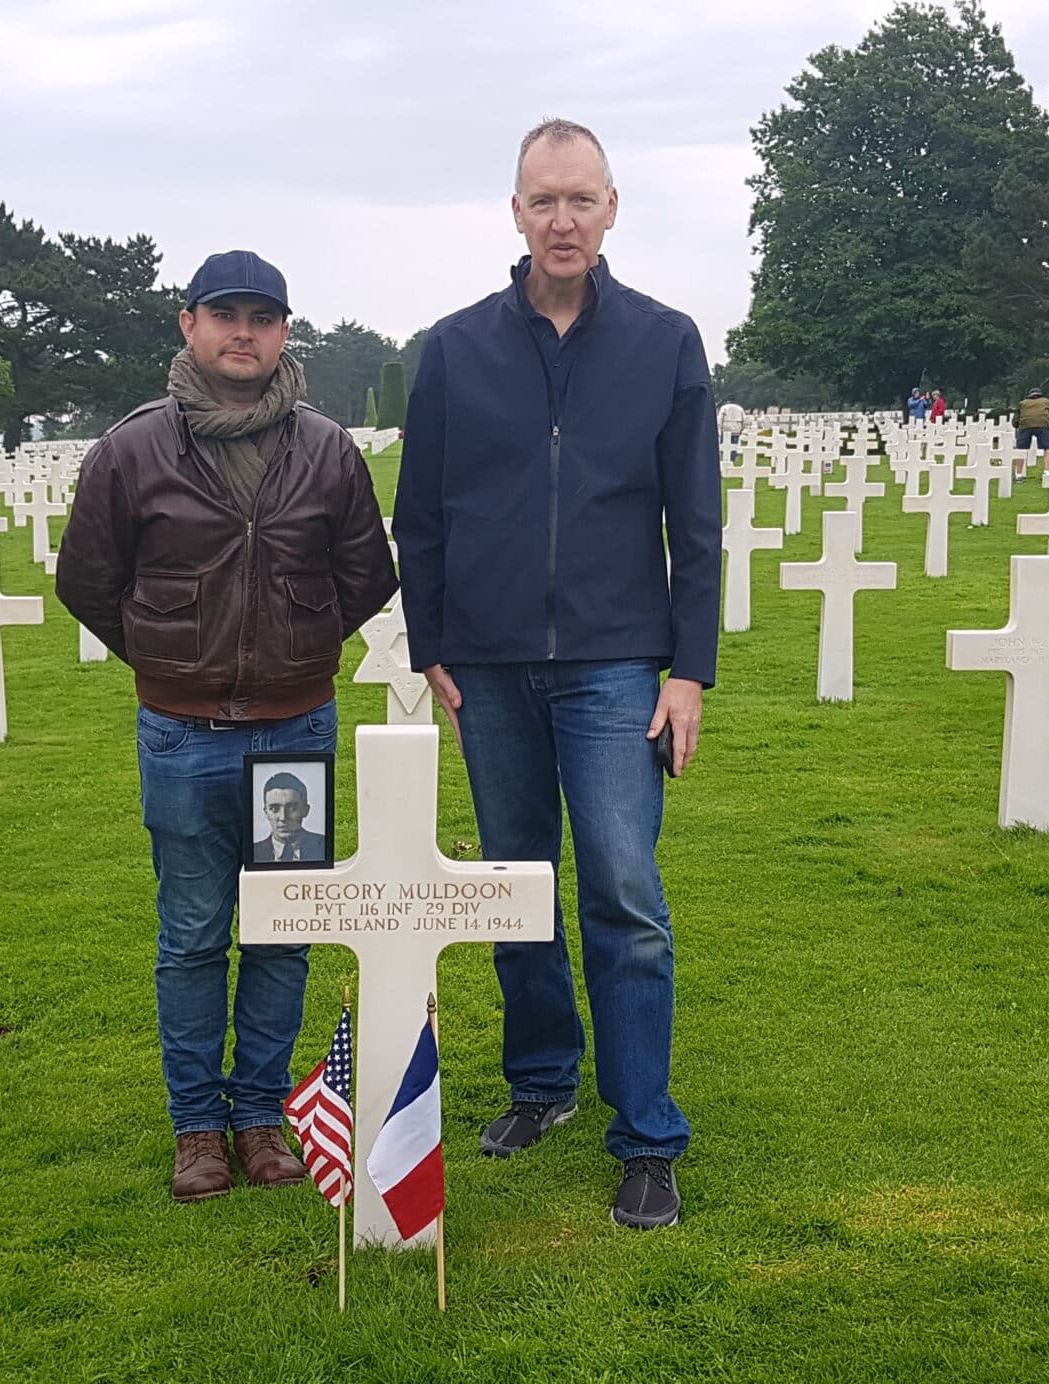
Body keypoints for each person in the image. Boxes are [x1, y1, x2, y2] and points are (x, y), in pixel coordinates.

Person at [393, 117, 718, 1231]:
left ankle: (648, 1134)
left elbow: (697, 522)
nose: (562, 219)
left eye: (582, 199)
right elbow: (422, 510)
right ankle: (543, 1082)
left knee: (622, 893)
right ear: (516, 211)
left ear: (612, 208)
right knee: (513, 888)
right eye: (544, 200)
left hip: (617, 661)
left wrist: (690, 673)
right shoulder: (453, 348)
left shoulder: (666, 341)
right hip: (486, 662)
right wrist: (427, 637)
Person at [58, 249, 399, 1205]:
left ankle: (261, 1118)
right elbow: (87, 580)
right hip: (183, 735)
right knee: (194, 933)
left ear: (286, 332)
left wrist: (294, 647)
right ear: (189, 324)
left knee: (284, 932)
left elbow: (366, 575)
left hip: (295, 731)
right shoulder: (132, 451)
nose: (242, 332)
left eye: (262, 317)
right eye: (224, 314)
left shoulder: (326, 449)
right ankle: (196, 1128)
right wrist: (171, 656)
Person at [255, 771, 326, 863]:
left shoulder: (324, 846)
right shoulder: (254, 852)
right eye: (274, 809)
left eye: (291, 808)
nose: (283, 817)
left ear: (305, 810)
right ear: (266, 812)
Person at [1012, 387, 1049, 477]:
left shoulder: (1022, 403)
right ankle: (1047, 472)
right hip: (1043, 425)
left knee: (1021, 449)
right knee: (1048, 448)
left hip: (1025, 426)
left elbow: (1016, 419)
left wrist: (1017, 426)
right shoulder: (1047, 402)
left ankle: (1019, 474)